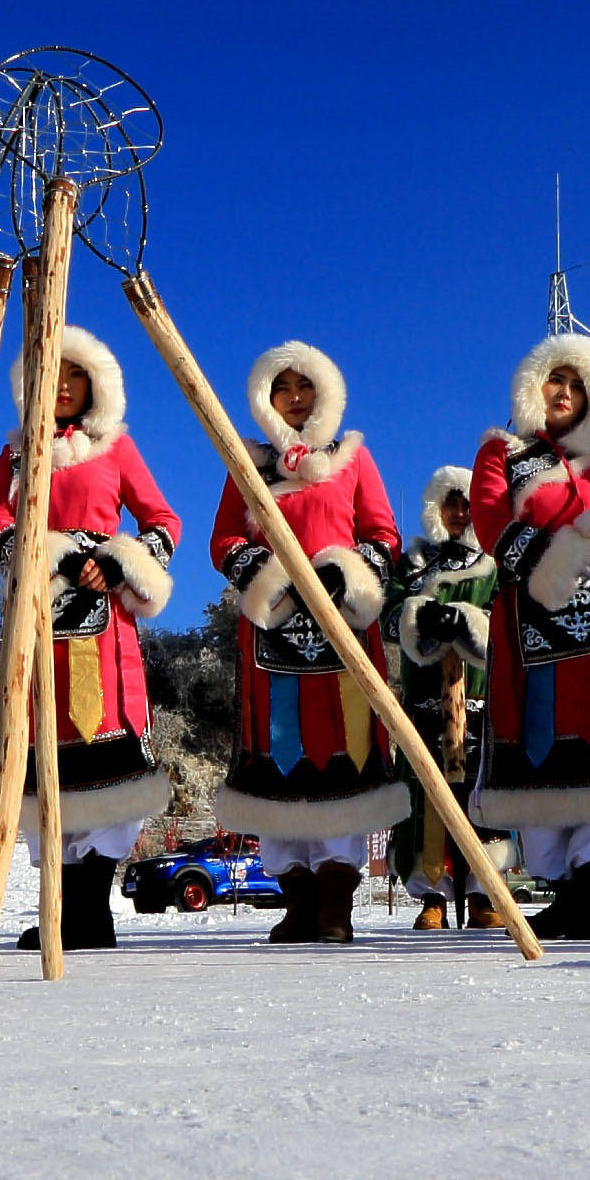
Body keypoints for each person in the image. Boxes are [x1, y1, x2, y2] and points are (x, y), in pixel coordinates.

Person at [0, 323, 182, 952]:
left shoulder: (116, 449)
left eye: (75, 375)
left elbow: (162, 519)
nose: (62, 386)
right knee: (47, 767)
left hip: (106, 635)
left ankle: (93, 906)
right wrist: (44, 556)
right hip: (39, 628)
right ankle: (62, 909)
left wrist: (119, 562)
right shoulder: (16, 455)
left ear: (93, 386)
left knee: (110, 768)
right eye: (52, 373)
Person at [470, 326, 590, 938]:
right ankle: (563, 887)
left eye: (578, 383)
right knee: (542, 744)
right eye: (555, 377)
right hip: (534, 638)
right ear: (534, 384)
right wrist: (561, 556)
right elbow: (490, 525)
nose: (564, 391)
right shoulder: (502, 451)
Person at [208, 342, 406, 942]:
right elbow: (222, 542)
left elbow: (383, 535)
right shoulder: (247, 463)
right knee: (280, 758)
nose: (294, 399)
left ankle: (334, 905)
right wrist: (267, 574)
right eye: (282, 389)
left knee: (340, 755)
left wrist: (343, 572)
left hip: (342, 630)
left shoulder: (352, 459)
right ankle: (295, 900)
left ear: (325, 395)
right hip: (272, 637)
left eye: (304, 387)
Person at [387, 465, 499, 928]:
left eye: (466, 504)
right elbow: (388, 617)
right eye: (450, 503)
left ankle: (483, 894)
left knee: (482, 798)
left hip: (479, 701)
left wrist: (467, 623)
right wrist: (418, 618)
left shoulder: (494, 563)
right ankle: (431, 896)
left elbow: (506, 618)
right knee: (424, 799)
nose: (458, 513)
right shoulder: (414, 565)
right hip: (424, 703)